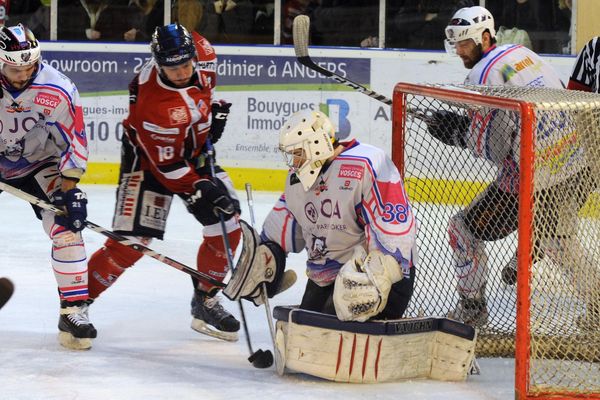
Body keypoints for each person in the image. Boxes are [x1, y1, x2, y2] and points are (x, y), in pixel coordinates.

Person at [428, 5, 597, 327]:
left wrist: (457, 132)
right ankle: (599, 306)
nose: (459, 51)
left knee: (462, 230)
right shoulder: (521, 52)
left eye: (464, 43)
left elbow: (495, 146)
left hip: (535, 174)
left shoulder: (482, 75)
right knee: (558, 241)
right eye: (456, 44)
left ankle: (473, 310)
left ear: (486, 37)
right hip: (575, 161)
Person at [86, 23, 242, 342]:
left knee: (228, 225)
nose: (182, 72)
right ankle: (75, 305)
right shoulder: (153, 105)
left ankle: (205, 299)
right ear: (158, 64)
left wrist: (212, 116)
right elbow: (167, 166)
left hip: (192, 150)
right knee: (131, 244)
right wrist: (202, 188)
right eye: (173, 68)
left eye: (187, 63)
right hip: (148, 162)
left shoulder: (203, 54)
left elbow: (205, 90)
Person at [227, 109, 417, 322]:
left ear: (315, 146)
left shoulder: (367, 163)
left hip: (377, 279)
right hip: (326, 276)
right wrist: (266, 258)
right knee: (306, 335)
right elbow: (282, 228)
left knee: (337, 340)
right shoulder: (297, 180)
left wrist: (376, 277)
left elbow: (396, 235)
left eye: (297, 153)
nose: (294, 162)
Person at [0, 24, 96, 349]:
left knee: (68, 228)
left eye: (30, 65)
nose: (24, 73)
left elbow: (75, 138)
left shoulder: (57, 88)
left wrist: (70, 189)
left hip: (40, 162)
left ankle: (73, 311)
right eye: (15, 68)